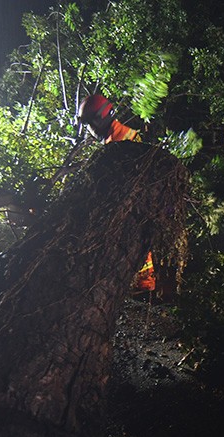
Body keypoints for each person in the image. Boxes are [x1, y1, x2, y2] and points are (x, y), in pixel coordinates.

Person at [77, 93, 154, 293]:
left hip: (130, 207)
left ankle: (144, 289)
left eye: (90, 124)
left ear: (100, 118)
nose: (90, 130)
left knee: (133, 250)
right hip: (134, 204)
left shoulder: (116, 144)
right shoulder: (124, 133)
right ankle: (143, 287)